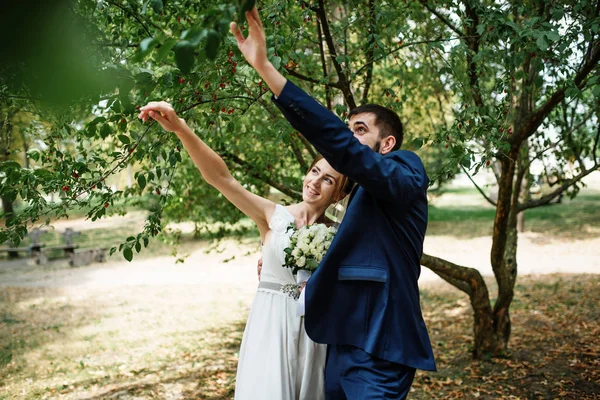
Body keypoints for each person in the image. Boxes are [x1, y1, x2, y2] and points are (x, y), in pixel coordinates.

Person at [231, 7, 436, 399]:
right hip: (337, 346)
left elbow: (343, 150)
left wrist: (267, 72)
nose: (348, 138)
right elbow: (357, 251)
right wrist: (288, 257)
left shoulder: (404, 169)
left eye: (360, 130)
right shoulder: (357, 192)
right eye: (348, 129)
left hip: (379, 347)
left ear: (387, 144)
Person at [137, 102, 351, 399]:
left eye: (328, 179)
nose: (314, 181)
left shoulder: (339, 236)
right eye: (314, 171)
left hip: (311, 336)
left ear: (339, 193)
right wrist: (181, 129)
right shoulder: (271, 215)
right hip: (269, 324)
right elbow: (222, 179)